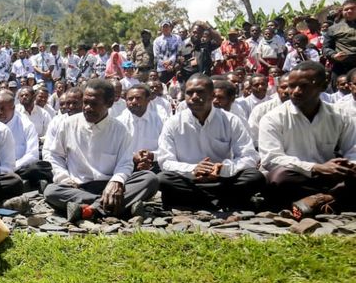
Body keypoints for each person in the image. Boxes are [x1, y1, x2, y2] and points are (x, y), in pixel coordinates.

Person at [42, 79, 159, 222]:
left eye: (94, 104)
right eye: (85, 102)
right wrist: (64, 178)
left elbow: (125, 163)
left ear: (109, 103)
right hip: (77, 188)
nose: (87, 108)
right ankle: (117, 207)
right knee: (51, 191)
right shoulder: (68, 124)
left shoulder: (120, 130)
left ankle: (88, 210)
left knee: (149, 179)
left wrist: (117, 181)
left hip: (111, 187)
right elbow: (55, 156)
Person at [259, 61, 356, 219]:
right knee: (279, 178)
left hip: (332, 176)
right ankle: (332, 199)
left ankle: (320, 200)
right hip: (297, 176)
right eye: (291, 86)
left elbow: (353, 149)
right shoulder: (273, 118)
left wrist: (348, 166)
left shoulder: (340, 115)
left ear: (323, 86)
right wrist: (316, 167)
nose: (295, 92)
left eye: (303, 86)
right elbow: (271, 158)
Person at [156, 74, 264, 209]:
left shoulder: (230, 120)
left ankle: (198, 201)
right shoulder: (173, 123)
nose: (194, 96)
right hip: (190, 180)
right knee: (162, 179)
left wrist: (222, 169)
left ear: (212, 95)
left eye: (200, 92)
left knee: (255, 176)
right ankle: (222, 200)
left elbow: (249, 156)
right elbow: (165, 161)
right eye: (189, 93)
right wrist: (193, 169)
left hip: (222, 179)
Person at [0, 90, 52, 196]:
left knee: (38, 167)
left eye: (2, 109)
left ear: (13, 108)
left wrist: (11, 168)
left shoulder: (26, 125)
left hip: (18, 168)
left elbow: (32, 155)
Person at [118, 84, 163, 172]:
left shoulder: (160, 120)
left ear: (148, 100)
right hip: (127, 165)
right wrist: (133, 157)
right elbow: (115, 151)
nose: (133, 102)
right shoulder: (119, 122)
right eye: (130, 99)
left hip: (154, 163)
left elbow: (166, 149)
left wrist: (152, 155)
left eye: (138, 98)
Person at [248, 74, 290, 147]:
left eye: (291, 87)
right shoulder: (260, 110)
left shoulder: (306, 109)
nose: (287, 90)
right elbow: (253, 137)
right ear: (277, 89)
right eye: (283, 87)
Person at [323, 0, 356, 83]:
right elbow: (326, 48)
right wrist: (334, 55)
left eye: (352, 8)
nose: (349, 11)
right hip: (342, 67)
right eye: (346, 9)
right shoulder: (333, 29)